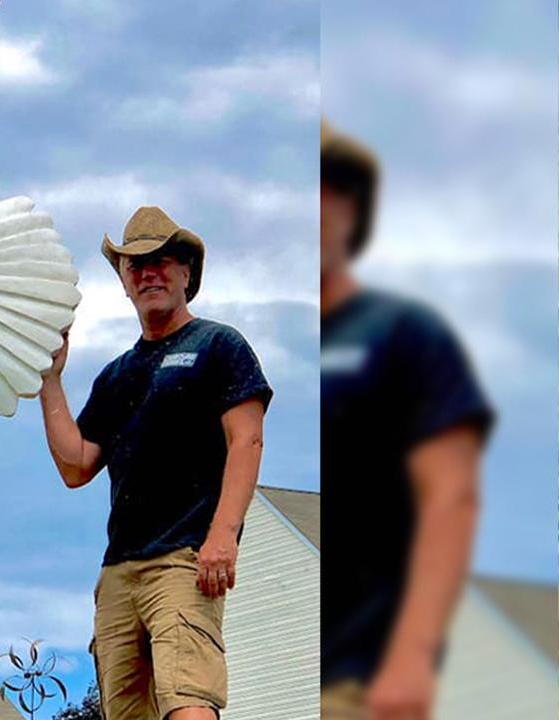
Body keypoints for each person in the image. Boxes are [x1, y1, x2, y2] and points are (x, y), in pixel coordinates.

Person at [39, 206, 272, 720]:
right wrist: (50, 380)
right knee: (124, 712)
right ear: (123, 282)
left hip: (184, 560)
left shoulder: (219, 346)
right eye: (134, 265)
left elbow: (246, 441)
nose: (148, 273)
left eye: (162, 261)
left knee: (187, 697)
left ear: (187, 272)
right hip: (119, 570)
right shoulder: (116, 375)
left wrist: (222, 537)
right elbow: (76, 465)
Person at [319, 121, 493, 720]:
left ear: (351, 208)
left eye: (329, 187)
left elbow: (452, 494)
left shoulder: (404, 332)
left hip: (365, 676)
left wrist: (414, 655)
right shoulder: (242, 354)